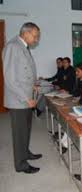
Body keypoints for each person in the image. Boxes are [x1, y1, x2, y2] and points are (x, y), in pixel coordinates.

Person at [3, 22, 42, 174]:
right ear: (26, 33)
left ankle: (25, 153)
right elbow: (10, 79)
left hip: (26, 97)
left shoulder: (22, 46)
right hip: (19, 100)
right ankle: (21, 164)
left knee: (26, 130)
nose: (36, 39)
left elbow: (23, 73)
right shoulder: (13, 46)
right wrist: (26, 98)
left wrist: (32, 86)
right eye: (35, 35)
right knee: (19, 132)